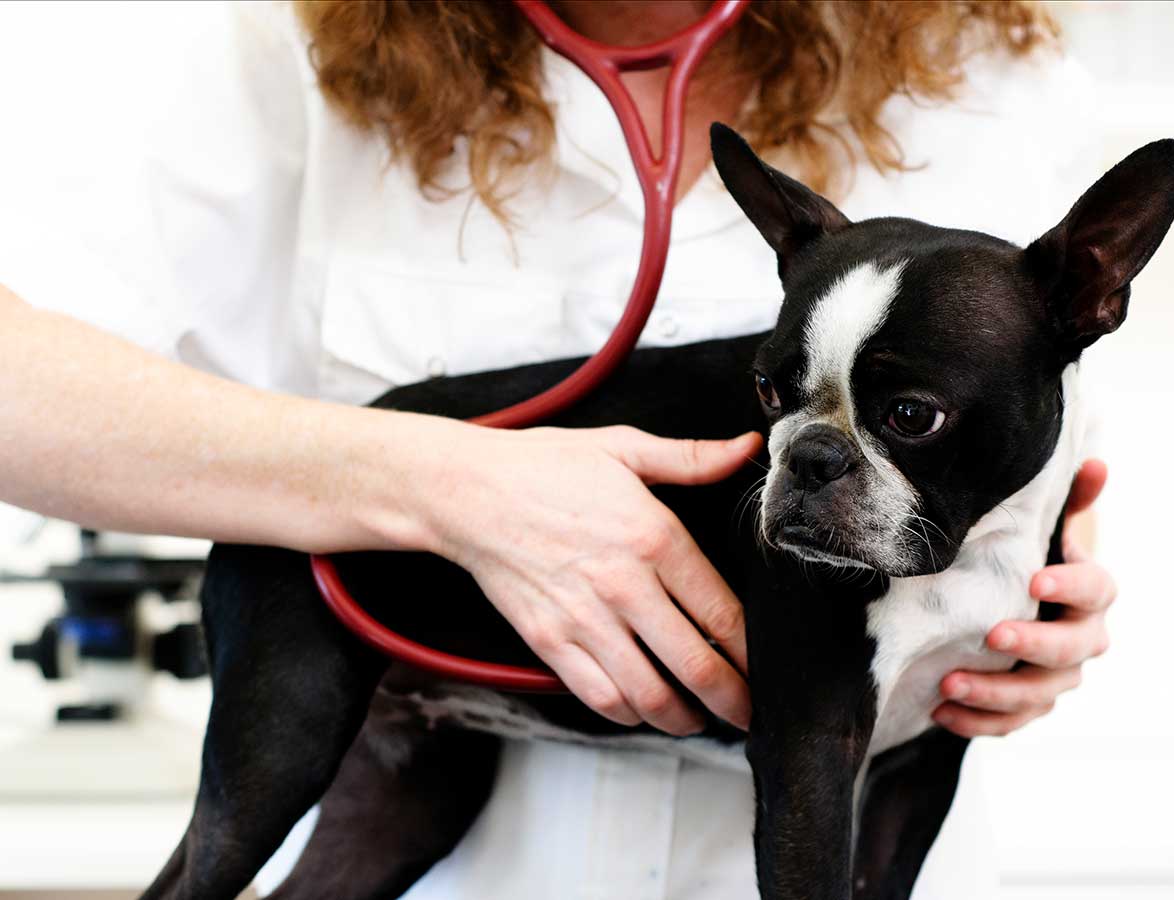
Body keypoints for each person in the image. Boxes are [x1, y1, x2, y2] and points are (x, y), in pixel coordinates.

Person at [0, 1, 1117, 895]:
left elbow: (1031, 440)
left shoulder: (999, 71)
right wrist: (439, 481)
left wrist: (1026, 609)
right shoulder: (280, 44)